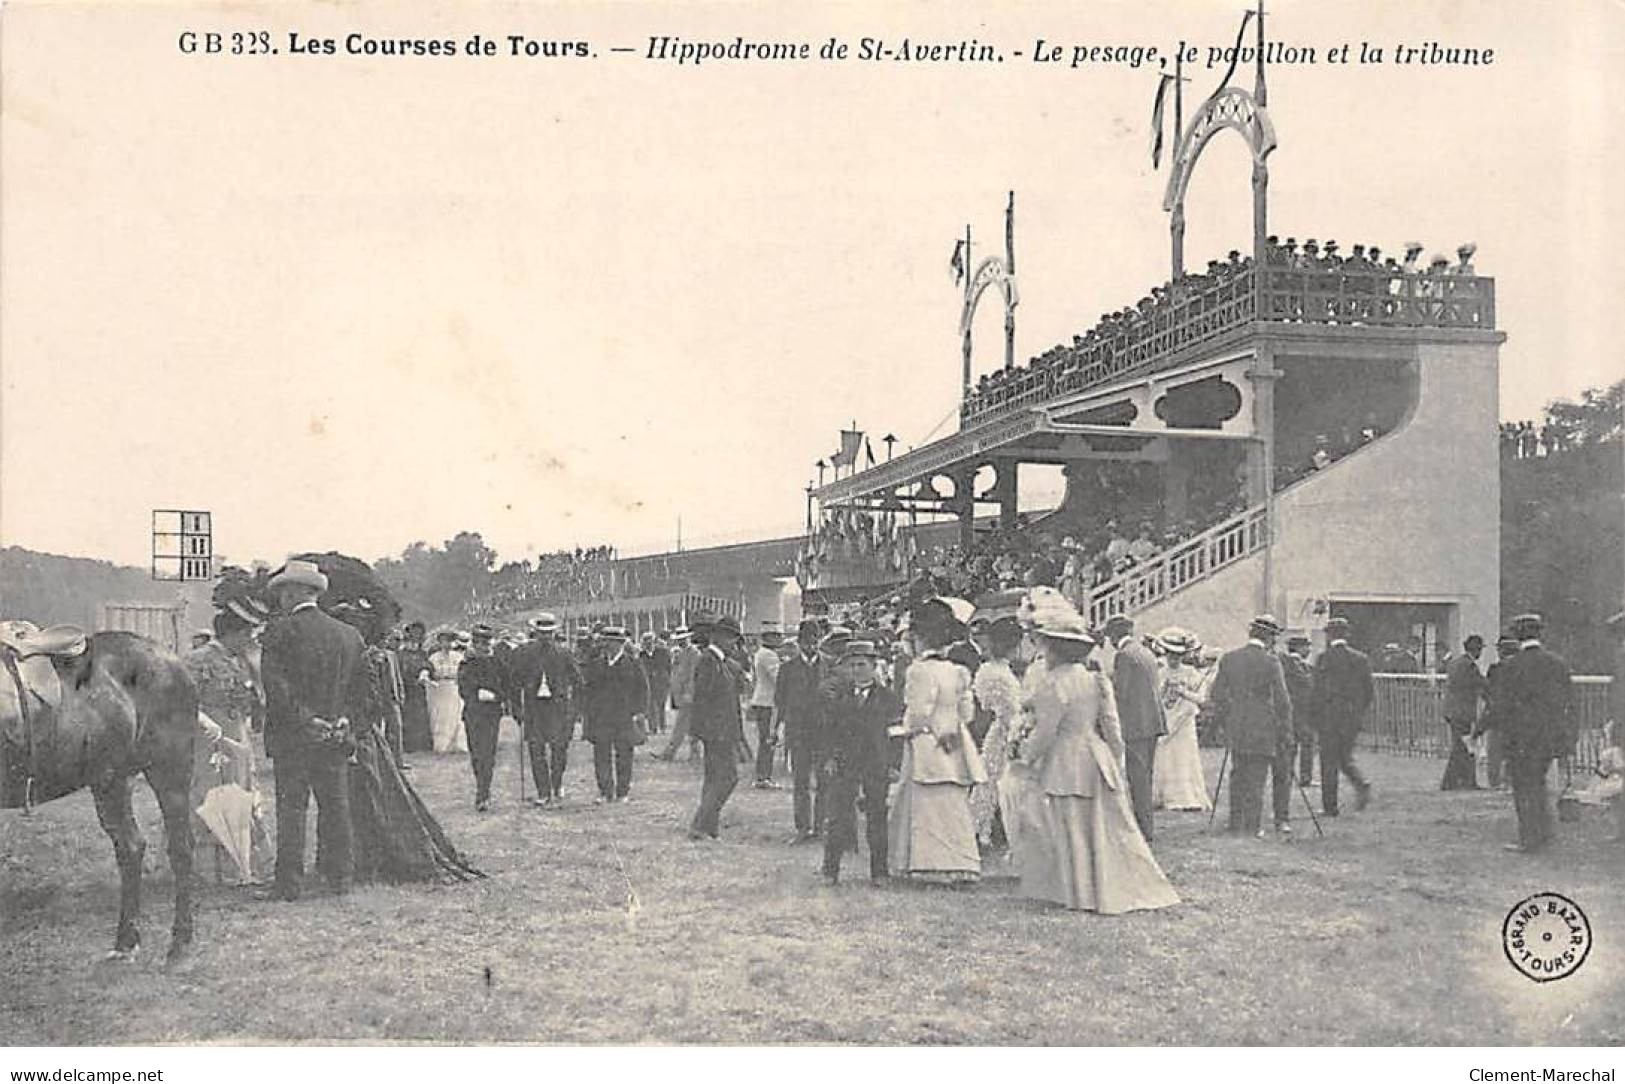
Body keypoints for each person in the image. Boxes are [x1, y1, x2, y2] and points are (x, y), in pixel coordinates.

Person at [1013, 609, 1178, 914]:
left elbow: (1047, 731)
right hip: (1095, 754)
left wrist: (1026, 755)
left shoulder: (1054, 683)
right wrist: (1115, 758)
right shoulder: (1095, 679)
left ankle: (1080, 891)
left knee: (1072, 826)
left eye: (1046, 645)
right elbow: (1112, 726)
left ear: (1055, 649)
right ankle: (1099, 886)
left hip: (1067, 757)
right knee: (1102, 825)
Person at [333, 602, 482, 884]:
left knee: (369, 797)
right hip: (361, 735)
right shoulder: (363, 656)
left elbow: (370, 701)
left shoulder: (363, 658)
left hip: (360, 736)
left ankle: (365, 859)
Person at [258, 560, 369, 900]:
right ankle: (339, 878)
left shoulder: (279, 632)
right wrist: (344, 720)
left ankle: (289, 883)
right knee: (335, 807)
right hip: (336, 736)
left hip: (294, 737)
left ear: (295, 592)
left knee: (292, 808)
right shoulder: (349, 635)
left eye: (283, 591)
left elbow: (276, 690)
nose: (280, 598)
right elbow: (362, 691)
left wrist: (307, 721)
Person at [889, 598, 987, 884]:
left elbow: (918, 713)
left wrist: (905, 729)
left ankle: (927, 864)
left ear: (919, 638)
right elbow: (967, 713)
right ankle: (961, 863)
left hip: (927, 741)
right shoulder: (957, 671)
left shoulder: (919, 671)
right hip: (954, 739)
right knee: (953, 802)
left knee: (925, 803)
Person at [185, 604, 272, 885]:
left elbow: (257, 699)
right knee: (211, 795)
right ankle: (210, 871)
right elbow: (183, 700)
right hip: (209, 737)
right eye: (245, 633)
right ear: (231, 633)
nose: (249, 639)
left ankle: (243, 865)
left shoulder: (243, 660)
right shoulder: (197, 660)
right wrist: (204, 722)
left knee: (243, 793)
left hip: (238, 734)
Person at [1205, 614, 1293, 837]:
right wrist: (1285, 730)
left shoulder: (1229, 658)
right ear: (1269, 637)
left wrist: (1230, 713)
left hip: (1237, 724)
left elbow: (1216, 694)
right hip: (1263, 725)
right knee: (1256, 776)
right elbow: (1283, 700)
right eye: (1274, 637)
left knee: (1238, 773)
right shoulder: (1271, 661)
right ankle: (1253, 826)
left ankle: (1236, 822)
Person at [819, 640, 898, 885]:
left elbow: (895, 734)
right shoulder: (839, 695)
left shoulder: (888, 697)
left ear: (874, 666)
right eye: (851, 665)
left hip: (876, 763)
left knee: (877, 817)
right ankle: (830, 870)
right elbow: (829, 730)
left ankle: (879, 872)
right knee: (838, 816)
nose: (856, 670)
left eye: (862, 665)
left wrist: (894, 764)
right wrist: (830, 756)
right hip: (845, 762)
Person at [1501, 614, 1574, 853]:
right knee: (1539, 782)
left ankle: (1529, 838)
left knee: (1523, 787)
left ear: (1517, 635)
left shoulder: (1511, 666)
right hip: (1549, 736)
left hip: (1521, 737)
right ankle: (1543, 834)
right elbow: (1568, 702)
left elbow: (1502, 705)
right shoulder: (1558, 663)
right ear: (1539, 634)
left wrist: (1480, 729)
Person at [508, 613, 583, 808]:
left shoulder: (564, 653)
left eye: (549, 633)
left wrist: (574, 708)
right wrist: (517, 709)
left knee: (559, 749)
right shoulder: (524, 653)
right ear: (535, 632)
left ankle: (556, 785)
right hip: (534, 708)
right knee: (536, 749)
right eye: (542, 633)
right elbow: (513, 682)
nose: (545, 637)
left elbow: (578, 682)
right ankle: (543, 791)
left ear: (554, 633)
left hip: (558, 709)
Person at [1103, 614, 1166, 842]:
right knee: (1145, 775)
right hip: (1152, 722)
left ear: (1113, 636)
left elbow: (1122, 692)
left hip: (1136, 725)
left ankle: (1143, 829)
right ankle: (1146, 825)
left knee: (1137, 777)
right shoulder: (1144, 652)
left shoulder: (1124, 656)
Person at [688, 613, 749, 839]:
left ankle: (708, 827)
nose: (734, 644)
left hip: (721, 729)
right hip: (717, 731)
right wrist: (704, 731)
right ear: (719, 637)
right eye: (732, 638)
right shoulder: (708, 661)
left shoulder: (722, 663)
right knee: (728, 777)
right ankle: (700, 823)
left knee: (714, 778)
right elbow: (703, 698)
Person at [970, 614, 1024, 856]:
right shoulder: (994, 672)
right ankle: (982, 831)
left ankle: (988, 831)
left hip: (1005, 729)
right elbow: (1004, 708)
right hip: (1005, 730)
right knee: (993, 782)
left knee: (993, 782)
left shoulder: (995, 669)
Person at [1313, 616, 1373, 816]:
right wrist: (1357, 712)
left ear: (1329, 636)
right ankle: (1360, 783)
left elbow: (1317, 692)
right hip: (1351, 718)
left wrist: (1316, 717)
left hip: (1329, 718)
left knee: (1329, 761)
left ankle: (1330, 807)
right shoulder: (1360, 659)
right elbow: (1368, 692)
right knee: (1344, 756)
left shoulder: (1323, 659)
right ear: (1347, 634)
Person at [775, 619, 829, 841]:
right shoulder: (787, 669)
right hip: (797, 732)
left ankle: (820, 827)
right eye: (807, 641)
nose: (811, 646)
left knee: (824, 781)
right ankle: (802, 828)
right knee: (801, 781)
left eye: (815, 641)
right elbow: (780, 700)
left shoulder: (829, 666)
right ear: (799, 642)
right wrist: (777, 729)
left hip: (824, 732)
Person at [582, 626, 648, 803]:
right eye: (605, 642)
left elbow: (642, 690)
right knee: (601, 754)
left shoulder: (633, 664)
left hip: (624, 717)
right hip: (601, 717)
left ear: (620, 644)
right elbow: (588, 691)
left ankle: (622, 792)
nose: (607, 646)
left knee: (624, 754)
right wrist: (588, 713)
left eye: (611, 642)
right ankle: (605, 791)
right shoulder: (596, 665)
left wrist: (639, 712)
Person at [1150, 628, 1211, 813]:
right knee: (1165, 755)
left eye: (1177, 656)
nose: (1173, 659)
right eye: (1170, 655)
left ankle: (1184, 796)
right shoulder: (1159, 672)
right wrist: (1164, 690)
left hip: (1184, 720)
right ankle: (1163, 796)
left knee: (1183, 756)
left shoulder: (1191, 673)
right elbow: (1154, 698)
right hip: (1167, 719)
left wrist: (1184, 692)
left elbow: (1202, 699)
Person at [457, 624, 509, 812]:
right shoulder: (466, 664)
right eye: (478, 642)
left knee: (488, 754)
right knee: (476, 754)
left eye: (485, 642)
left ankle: (483, 793)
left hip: (491, 714)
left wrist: (497, 696)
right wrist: (475, 693)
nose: (482, 646)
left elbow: (507, 686)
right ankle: (481, 786)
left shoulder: (498, 663)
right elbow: (462, 688)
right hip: (473, 713)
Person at [1441, 635, 1488, 791]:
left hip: (1451, 710)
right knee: (1465, 747)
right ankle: (1460, 781)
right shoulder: (1470, 666)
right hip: (1462, 712)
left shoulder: (1455, 663)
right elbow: (1481, 684)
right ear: (1476, 650)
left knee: (1460, 746)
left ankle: (1455, 781)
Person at [1476, 633, 1519, 789]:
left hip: (1498, 715)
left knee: (1495, 750)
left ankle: (1494, 781)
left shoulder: (1495, 670)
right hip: (1516, 715)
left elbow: (1488, 692)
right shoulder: (1522, 668)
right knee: (1513, 750)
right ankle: (1509, 780)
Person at [656, 628, 701, 761]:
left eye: (683, 639)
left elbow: (693, 675)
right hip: (681, 694)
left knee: (681, 725)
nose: (680, 642)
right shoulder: (681, 653)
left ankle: (670, 752)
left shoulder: (694, 654)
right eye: (679, 640)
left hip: (689, 695)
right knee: (691, 725)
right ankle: (694, 753)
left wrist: (689, 693)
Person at [748, 628, 783, 788]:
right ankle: (763, 776)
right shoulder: (769, 655)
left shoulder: (761, 653)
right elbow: (778, 678)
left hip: (762, 700)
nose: (779, 639)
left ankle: (763, 775)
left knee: (765, 740)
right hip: (768, 702)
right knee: (768, 739)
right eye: (776, 636)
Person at [1281, 634, 1317, 787]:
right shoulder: (1291, 664)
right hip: (1298, 711)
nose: (1309, 649)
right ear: (1299, 648)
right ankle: (1301, 776)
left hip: (1301, 711)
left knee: (1298, 744)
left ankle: (1294, 775)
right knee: (1304, 743)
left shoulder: (1303, 666)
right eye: (1306, 646)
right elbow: (1307, 684)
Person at [425, 630, 468, 754]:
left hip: (454, 686)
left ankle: (457, 744)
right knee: (440, 716)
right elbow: (431, 672)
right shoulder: (434, 657)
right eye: (444, 641)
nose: (447, 644)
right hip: (439, 688)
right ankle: (441, 745)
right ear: (439, 642)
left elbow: (462, 672)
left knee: (455, 715)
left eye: (449, 641)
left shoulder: (459, 657)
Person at [397, 622, 433, 754]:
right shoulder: (400, 655)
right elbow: (399, 672)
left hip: (419, 690)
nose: (413, 645)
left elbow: (429, 665)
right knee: (407, 717)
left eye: (416, 642)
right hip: (406, 690)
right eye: (410, 641)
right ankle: (409, 745)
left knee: (420, 716)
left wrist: (425, 671)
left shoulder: (422, 654)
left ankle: (423, 744)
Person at [639, 631, 672, 736]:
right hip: (648, 683)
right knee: (650, 706)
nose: (649, 645)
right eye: (646, 643)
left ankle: (662, 726)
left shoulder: (663, 652)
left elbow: (668, 666)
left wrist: (666, 678)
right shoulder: (641, 655)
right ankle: (653, 728)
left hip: (661, 682)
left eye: (651, 642)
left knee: (661, 704)